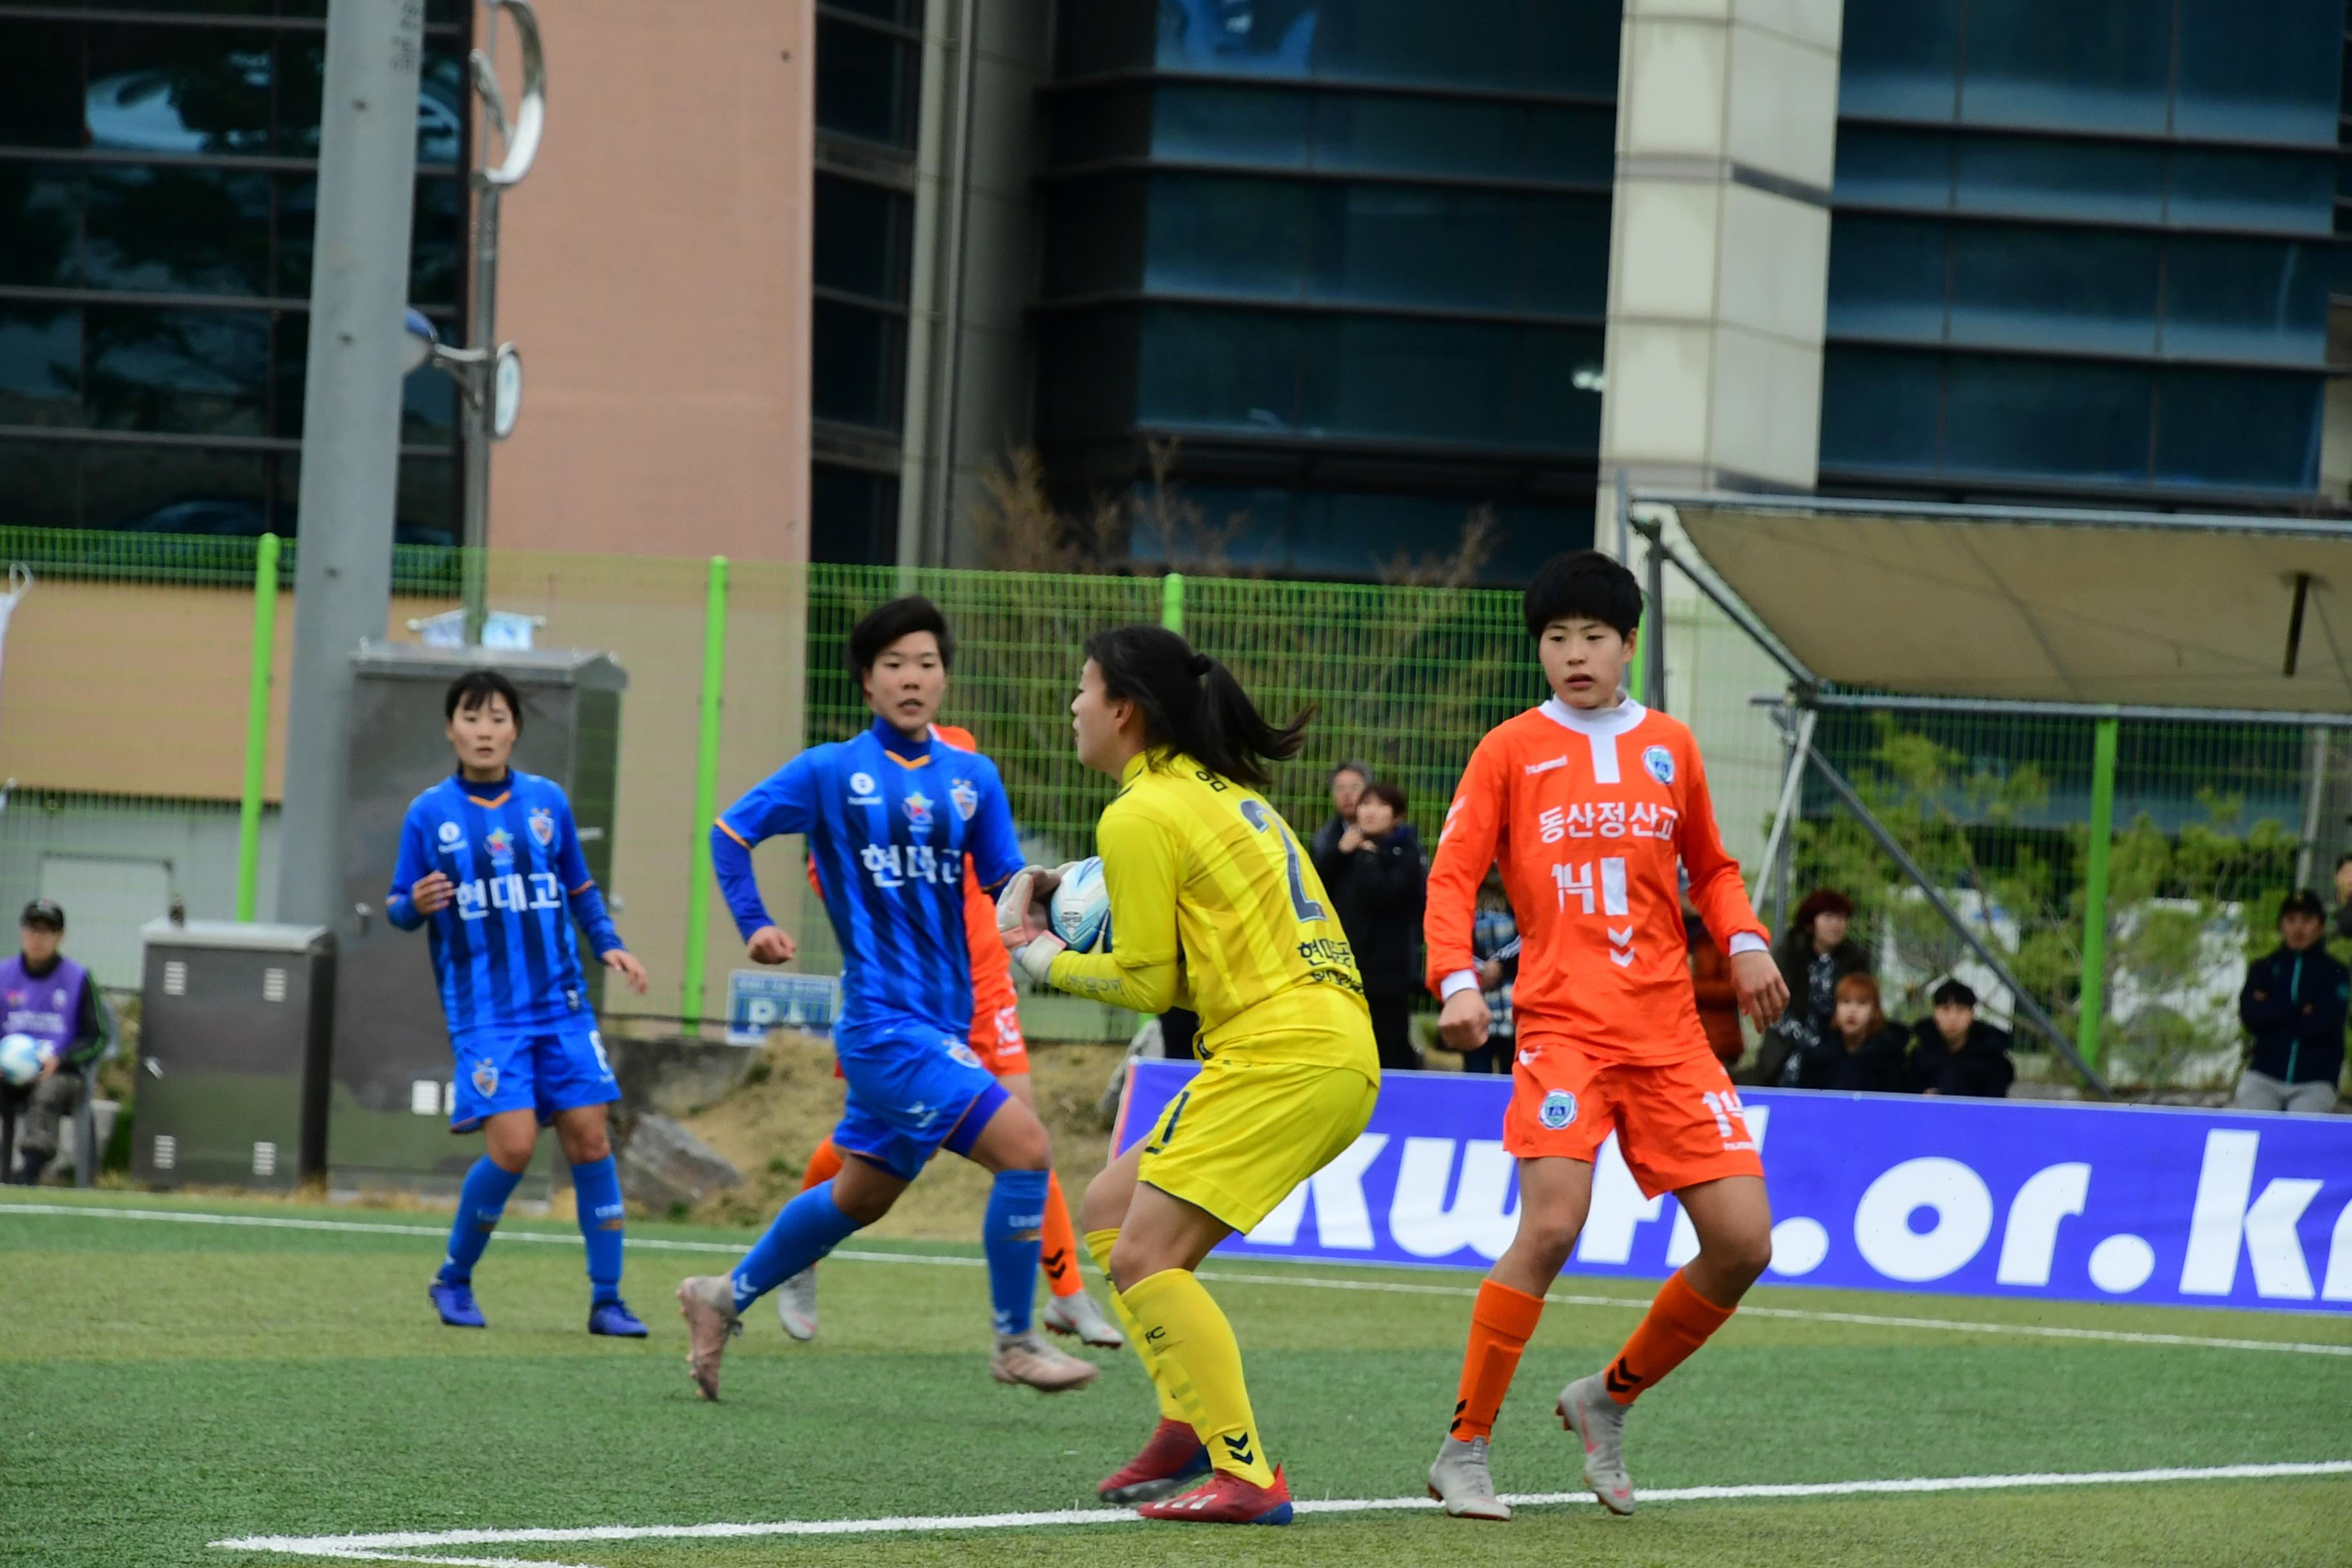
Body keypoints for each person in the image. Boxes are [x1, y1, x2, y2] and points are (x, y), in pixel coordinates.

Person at [1422, 549, 1787, 1522]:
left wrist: (1743, 941)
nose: (1574, 654)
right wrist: (1457, 980)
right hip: (1563, 1030)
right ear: (1538, 648)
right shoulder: (1508, 750)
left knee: (1745, 1242)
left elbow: (1712, 867)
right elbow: (1452, 877)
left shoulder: (1671, 745)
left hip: (1669, 1033)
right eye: (1555, 638)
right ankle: (1465, 1447)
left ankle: (1605, 1400)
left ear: (1629, 644)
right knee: (1551, 1226)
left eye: (1593, 637)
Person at [998, 623, 1380, 1525]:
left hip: (1285, 1054)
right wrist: (1080, 901)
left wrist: (1040, 954)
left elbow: (1146, 981)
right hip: (1315, 1045)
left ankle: (1247, 1476)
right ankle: (1186, 1423)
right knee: (1109, 1213)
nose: (1074, 706)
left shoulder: (1139, 810)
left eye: (1083, 689)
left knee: (1142, 1256)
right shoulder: (1211, 793)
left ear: (1124, 710)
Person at [676, 597, 1097, 1398]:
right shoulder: (830, 771)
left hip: (946, 1022)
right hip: (882, 1027)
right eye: (895, 664)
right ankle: (1016, 1338)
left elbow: (1005, 882)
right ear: (866, 681)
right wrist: (756, 924)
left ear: (944, 677)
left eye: (928, 663)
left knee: (856, 1197)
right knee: (1028, 1150)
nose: (913, 677)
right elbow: (730, 833)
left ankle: (721, 1294)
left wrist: (1063, 903)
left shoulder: (973, 776)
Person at [772, 718, 1125, 1352]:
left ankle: (1068, 1293)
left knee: (1026, 1132)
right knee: (867, 1150)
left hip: (986, 993)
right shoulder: (874, 798)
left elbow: (1006, 872)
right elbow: (833, 875)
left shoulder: (967, 772)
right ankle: (801, 1255)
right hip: (906, 1001)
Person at [389, 670, 653, 1336]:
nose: (485, 730)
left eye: (498, 717)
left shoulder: (546, 802)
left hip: (562, 1004)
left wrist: (610, 945)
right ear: (451, 728)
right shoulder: (429, 812)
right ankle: (453, 1276)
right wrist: (412, 906)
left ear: (515, 729)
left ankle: (608, 1298)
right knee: (511, 1147)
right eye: (472, 718)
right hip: (487, 1014)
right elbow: (398, 906)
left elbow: (581, 886)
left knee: (590, 1138)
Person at [0, 899, 112, 1186]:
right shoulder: (3, 975)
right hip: (7, 1072)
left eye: (47, 931)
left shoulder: (78, 979)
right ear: (21, 932)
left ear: (60, 936)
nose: (38, 937)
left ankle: (29, 1175)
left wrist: (60, 1060)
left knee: (47, 1093)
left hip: (61, 1074)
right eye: (32, 929)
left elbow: (97, 1037)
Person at [1318, 779, 1426, 1072]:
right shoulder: (1346, 850)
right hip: (1346, 965)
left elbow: (1385, 894)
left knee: (1389, 1047)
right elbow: (1316, 886)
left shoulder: (1406, 854)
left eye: (1381, 805)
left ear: (1398, 815)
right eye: (1366, 804)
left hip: (1387, 974)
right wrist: (1341, 852)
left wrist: (1365, 856)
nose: (1371, 811)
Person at [2235, 889, 2346, 1114]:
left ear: (2322, 926)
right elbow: (2251, 1017)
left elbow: (2327, 1022)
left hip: (2315, 1081)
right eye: (2291, 920)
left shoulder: (2335, 973)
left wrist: (2274, 1011)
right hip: (2264, 1075)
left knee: (2301, 1139)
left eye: (2307, 920)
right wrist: (2299, 1009)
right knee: (2251, 1124)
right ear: (2281, 926)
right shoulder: (2263, 968)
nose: (2298, 928)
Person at [1751, 889, 1869, 1086]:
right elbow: (1774, 1008)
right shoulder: (1788, 953)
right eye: (1829, 917)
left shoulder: (1855, 959)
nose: (1837, 924)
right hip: (1788, 1046)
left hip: (1837, 1047)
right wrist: (1811, 1043)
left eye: (1842, 918)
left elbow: (1865, 1003)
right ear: (1811, 923)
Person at [1781, 972, 1907, 1093]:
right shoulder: (1817, 1055)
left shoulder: (1889, 1056)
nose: (1852, 1011)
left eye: (1862, 1003)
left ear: (1875, 1011)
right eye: (1846, 1002)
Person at [1904, 978, 2015, 1098]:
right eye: (1945, 1010)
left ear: (1972, 1014)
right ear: (1935, 1013)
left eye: (1961, 1010)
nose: (1953, 1018)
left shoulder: (1992, 1057)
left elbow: (1995, 1103)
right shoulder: (1921, 1054)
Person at [1685, 887, 1743, 1070]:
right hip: (1668, 1042)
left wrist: (1685, 986)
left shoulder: (1719, 937)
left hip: (1716, 1043)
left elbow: (1734, 990)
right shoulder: (1659, 932)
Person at [1466, 870, 1517, 1075]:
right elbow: (1455, 938)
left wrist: (1501, 964)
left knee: (1512, 1073)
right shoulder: (1466, 896)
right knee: (1476, 1069)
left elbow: (1530, 936)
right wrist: (1481, 969)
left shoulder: (1518, 894)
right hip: (1476, 996)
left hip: (1512, 999)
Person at [1307, 759, 1371, 867]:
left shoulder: (1387, 833)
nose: (1347, 794)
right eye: (1340, 788)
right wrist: (1341, 852)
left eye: (1355, 787)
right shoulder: (1324, 839)